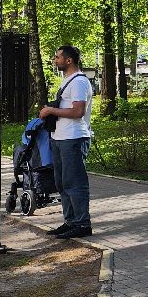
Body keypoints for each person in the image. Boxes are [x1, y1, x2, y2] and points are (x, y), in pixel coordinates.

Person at [40, 45, 94, 239]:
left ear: (68, 60)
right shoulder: (67, 81)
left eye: (57, 57)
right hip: (60, 137)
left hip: (73, 138)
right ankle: (70, 221)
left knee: (75, 182)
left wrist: (51, 111)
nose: (55, 60)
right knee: (62, 183)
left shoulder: (79, 82)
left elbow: (78, 112)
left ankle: (82, 223)